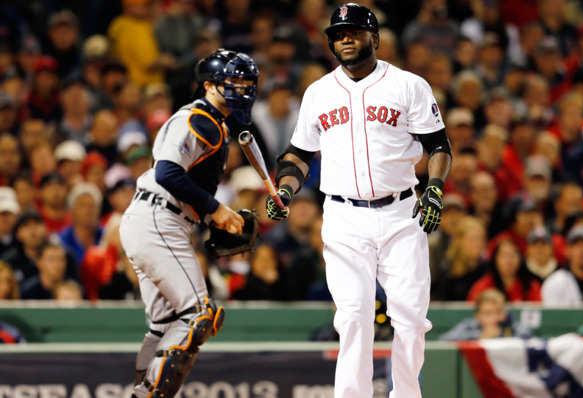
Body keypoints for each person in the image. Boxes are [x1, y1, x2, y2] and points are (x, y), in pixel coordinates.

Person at [265, 4, 452, 397]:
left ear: (375, 39)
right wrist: (284, 189)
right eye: (338, 34)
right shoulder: (318, 92)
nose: (345, 38)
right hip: (343, 216)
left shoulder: (408, 85)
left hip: (403, 212)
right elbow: (298, 155)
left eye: (353, 31)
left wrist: (434, 186)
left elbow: (438, 145)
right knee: (352, 317)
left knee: (412, 320)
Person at [119, 49, 259, 397]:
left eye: (246, 82)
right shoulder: (197, 117)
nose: (241, 88)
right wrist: (216, 210)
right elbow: (167, 172)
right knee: (198, 316)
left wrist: (213, 219)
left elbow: (184, 183)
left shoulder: (213, 122)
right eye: (233, 82)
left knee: (164, 326)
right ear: (209, 85)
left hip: (160, 218)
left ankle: (141, 391)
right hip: (158, 216)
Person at [438, 289, 533, 341]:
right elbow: (444, 341)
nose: (494, 317)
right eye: (488, 313)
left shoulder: (512, 327)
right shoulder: (469, 326)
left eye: (498, 312)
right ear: (478, 316)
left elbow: (530, 340)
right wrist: (480, 337)